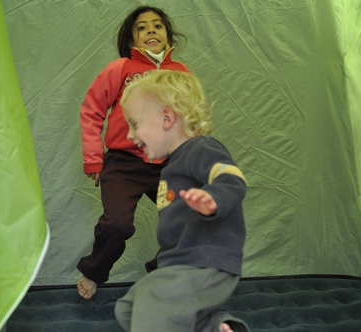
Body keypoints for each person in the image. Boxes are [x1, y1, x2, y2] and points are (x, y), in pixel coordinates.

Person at [114, 70, 249, 332]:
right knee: (128, 307)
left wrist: (213, 198)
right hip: (177, 263)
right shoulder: (172, 164)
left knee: (156, 309)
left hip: (204, 260)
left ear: (166, 118)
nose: (130, 135)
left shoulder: (201, 149)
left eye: (135, 123)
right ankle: (215, 328)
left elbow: (233, 177)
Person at [77, 6, 190, 300]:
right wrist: (93, 157)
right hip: (124, 165)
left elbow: (191, 120)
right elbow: (91, 111)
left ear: (167, 35)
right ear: (131, 40)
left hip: (167, 166)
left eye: (157, 26)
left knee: (189, 219)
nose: (151, 30)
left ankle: (162, 270)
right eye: (142, 27)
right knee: (117, 225)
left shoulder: (180, 73)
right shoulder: (121, 69)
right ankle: (94, 270)